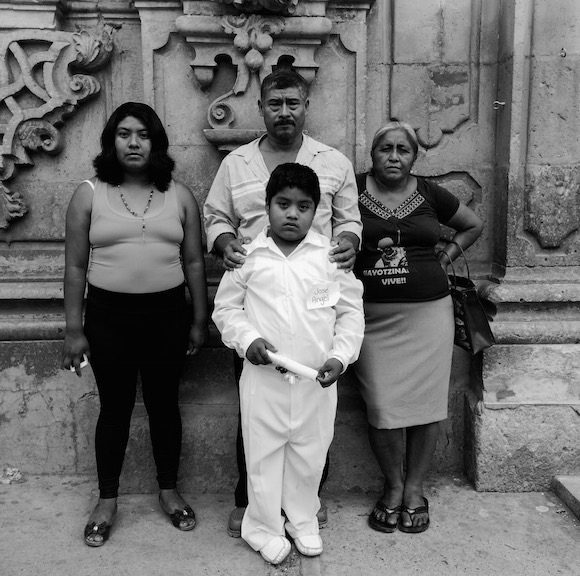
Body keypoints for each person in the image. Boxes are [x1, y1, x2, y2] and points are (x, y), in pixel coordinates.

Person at [203, 68, 362, 536]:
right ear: (261, 107)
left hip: (315, 293)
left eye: (293, 103)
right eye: (276, 104)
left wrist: (350, 241)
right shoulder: (236, 163)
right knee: (255, 410)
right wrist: (225, 241)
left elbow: (350, 219)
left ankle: (305, 504)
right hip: (260, 295)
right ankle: (251, 503)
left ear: (306, 105)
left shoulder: (333, 162)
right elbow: (215, 215)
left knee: (315, 415)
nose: (285, 112)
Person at [61, 102, 209, 547]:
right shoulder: (88, 193)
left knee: (165, 406)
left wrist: (200, 318)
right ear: (111, 142)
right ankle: (107, 498)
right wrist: (73, 329)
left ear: (156, 142)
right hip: (109, 318)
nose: (133, 142)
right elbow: (73, 266)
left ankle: (168, 489)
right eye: (124, 134)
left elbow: (196, 262)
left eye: (143, 134)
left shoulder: (180, 195)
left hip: (168, 316)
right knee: (115, 409)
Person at [353, 120, 483, 534]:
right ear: (372, 155)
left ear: (414, 156)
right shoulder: (351, 189)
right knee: (381, 405)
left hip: (430, 314)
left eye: (402, 150)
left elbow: (473, 225)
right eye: (385, 149)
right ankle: (391, 486)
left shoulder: (429, 193)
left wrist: (444, 257)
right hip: (371, 318)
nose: (393, 156)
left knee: (427, 406)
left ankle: (413, 490)